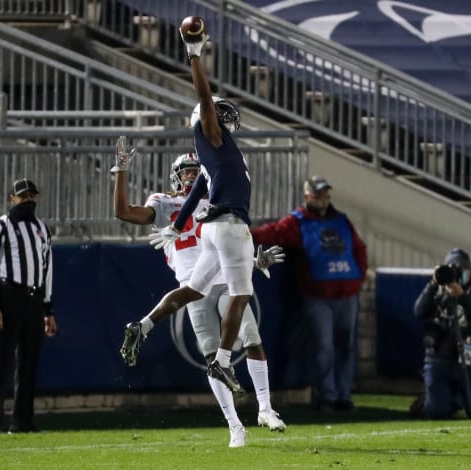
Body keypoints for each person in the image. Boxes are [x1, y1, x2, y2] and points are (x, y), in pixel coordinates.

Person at [112, 140, 285, 447]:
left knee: (253, 338)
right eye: (186, 173)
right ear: (175, 177)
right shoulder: (164, 203)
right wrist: (122, 171)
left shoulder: (219, 201)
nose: (191, 177)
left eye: (195, 172)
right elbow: (124, 212)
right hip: (193, 286)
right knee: (212, 357)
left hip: (226, 281)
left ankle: (265, 407)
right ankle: (235, 426)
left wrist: (256, 263)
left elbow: (233, 248)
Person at [121, 28, 255, 395]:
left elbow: (197, 190)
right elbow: (203, 98)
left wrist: (177, 225)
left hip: (212, 228)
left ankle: (144, 325)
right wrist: (194, 53)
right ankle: (223, 363)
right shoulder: (211, 135)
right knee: (240, 294)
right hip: (229, 224)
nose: (225, 117)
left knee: (195, 287)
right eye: (219, 112)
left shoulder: (218, 157)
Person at [251, 176, 368, 412]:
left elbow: (359, 250)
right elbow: (272, 233)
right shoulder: (298, 221)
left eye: (325, 195)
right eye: (317, 196)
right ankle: (328, 395)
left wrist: (358, 281)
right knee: (325, 346)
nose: (322, 200)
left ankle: (343, 395)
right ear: (307, 197)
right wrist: (243, 234)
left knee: (345, 346)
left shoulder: (341, 220)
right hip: (318, 296)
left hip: (347, 294)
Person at [0, 178, 58, 434]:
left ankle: (22, 421)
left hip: (34, 299)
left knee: (29, 362)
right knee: (0, 361)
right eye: (23, 197)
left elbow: (47, 270)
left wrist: (48, 309)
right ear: (12, 198)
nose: (28, 201)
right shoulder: (0, 226)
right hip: (8, 296)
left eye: (32, 197)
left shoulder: (42, 228)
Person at [412, 248, 471, 419]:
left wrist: (462, 296)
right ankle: (436, 400)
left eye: (462, 270)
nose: (457, 274)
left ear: (469, 270)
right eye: (452, 269)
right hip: (439, 356)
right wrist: (434, 282)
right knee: (437, 412)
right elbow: (419, 312)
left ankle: (457, 399)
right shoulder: (437, 287)